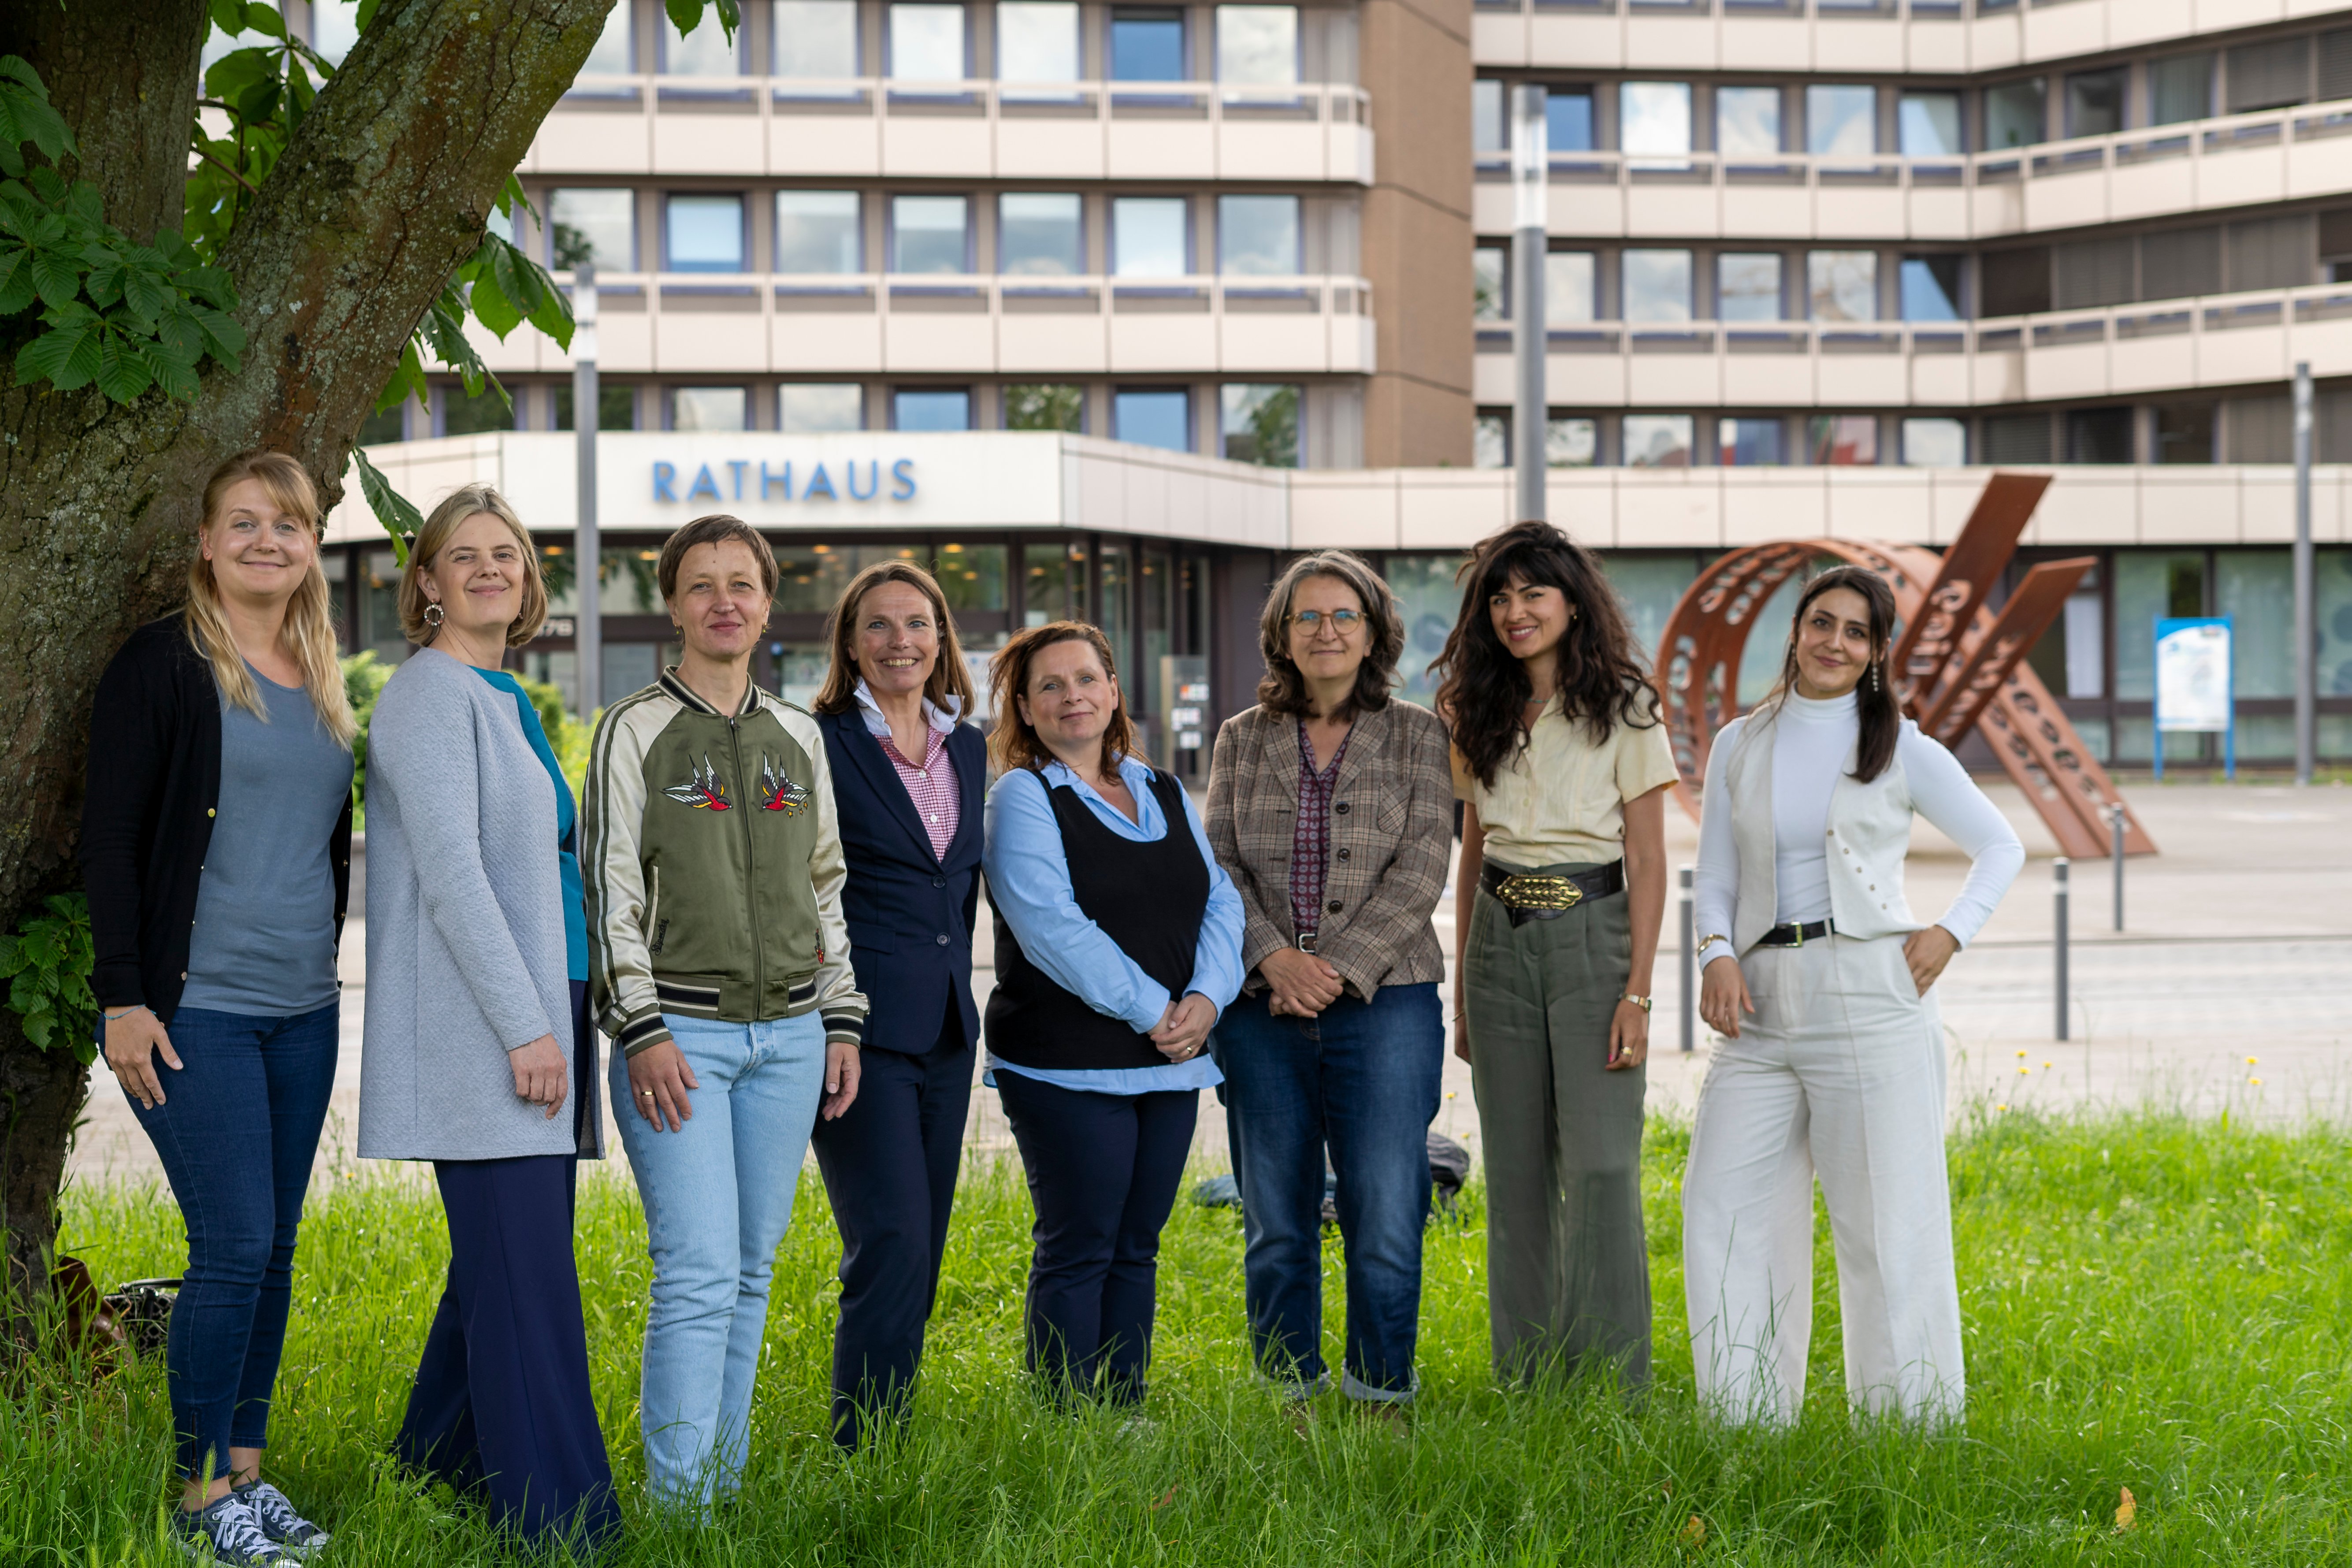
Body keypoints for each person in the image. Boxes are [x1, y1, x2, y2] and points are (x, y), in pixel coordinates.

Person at [82, 450, 354, 1565]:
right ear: (205, 541)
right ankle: (198, 1499)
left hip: (305, 1004)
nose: (265, 543)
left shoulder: (323, 669)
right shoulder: (162, 663)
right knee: (234, 1243)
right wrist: (123, 998)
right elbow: (108, 838)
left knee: (277, 1248)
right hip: (197, 1009)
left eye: (286, 526)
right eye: (243, 523)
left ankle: (245, 1475)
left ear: (310, 548)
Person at [1685, 565, 2024, 1427]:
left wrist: (1949, 931)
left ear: (1875, 653)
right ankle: (1745, 1426)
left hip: (1869, 999)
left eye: (1854, 632)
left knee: (1887, 1228)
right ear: (1795, 630)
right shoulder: (1738, 742)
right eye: (1819, 623)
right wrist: (1714, 953)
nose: (1833, 642)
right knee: (1724, 1212)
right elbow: (1716, 875)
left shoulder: (1901, 746)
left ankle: (1907, 1433)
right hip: (1756, 1007)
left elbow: (1999, 844)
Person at [585, 514, 868, 1507]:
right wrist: (643, 1028)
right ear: (671, 604)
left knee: (750, 1272)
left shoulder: (799, 737)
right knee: (698, 1272)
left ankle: (719, 1489)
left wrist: (839, 1018)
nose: (723, 601)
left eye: (741, 583)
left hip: (790, 1038)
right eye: (701, 584)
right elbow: (607, 889)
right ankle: (678, 1507)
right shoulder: (634, 730)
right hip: (683, 1037)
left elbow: (824, 885)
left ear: (766, 601)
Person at [359, 483, 619, 1551]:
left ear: (527, 579)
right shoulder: (426, 694)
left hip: (549, 998)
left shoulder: (505, 695)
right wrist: (524, 1027)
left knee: (501, 1265)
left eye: (503, 553)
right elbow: (454, 877)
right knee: (528, 1279)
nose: (485, 570)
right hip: (495, 1019)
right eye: (459, 556)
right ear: (425, 582)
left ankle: (431, 1465)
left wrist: (569, 1006)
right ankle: (561, 1522)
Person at [1204, 550, 1452, 1415]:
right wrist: (1273, 957)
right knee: (1275, 1220)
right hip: (1258, 1008)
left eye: (1342, 615)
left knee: (1385, 1216)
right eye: (1306, 617)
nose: (1325, 631)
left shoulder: (1419, 734)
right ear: (1280, 633)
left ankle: (1381, 1392)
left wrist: (1336, 969)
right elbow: (1218, 864)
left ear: (1374, 630)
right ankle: (1290, 1392)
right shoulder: (1241, 737)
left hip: (1387, 1005)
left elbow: (1423, 865)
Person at [1433, 519, 1676, 1393]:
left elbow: (1649, 861)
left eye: (1533, 592)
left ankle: (1612, 1384)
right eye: (1498, 596)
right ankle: (1527, 1379)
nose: (1514, 611)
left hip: (1594, 939)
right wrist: (1463, 991)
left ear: (1573, 603)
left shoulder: (1625, 706)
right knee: (1517, 1171)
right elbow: (1471, 853)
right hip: (1499, 942)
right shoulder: (1471, 708)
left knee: (1602, 1167)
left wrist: (1638, 995)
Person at [981, 622, 1244, 1406]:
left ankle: (1122, 1403)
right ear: (1025, 709)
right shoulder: (1021, 796)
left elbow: (1219, 898)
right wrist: (1159, 1011)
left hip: (1171, 1058)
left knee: (1137, 1244)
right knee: (1080, 1244)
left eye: (1086, 679)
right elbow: (1051, 925)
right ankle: (1063, 1415)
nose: (1072, 697)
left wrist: (1207, 998)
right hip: (1065, 1061)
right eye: (1050, 686)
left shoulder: (1160, 786)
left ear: (1113, 690)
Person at [808, 561, 987, 1449]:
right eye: (877, 626)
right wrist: (830, 1013)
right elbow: (802, 887)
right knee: (890, 1242)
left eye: (917, 624)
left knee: (927, 1243)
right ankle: (863, 1446)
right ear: (849, 644)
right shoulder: (817, 740)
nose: (900, 642)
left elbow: (957, 889)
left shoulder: (969, 744)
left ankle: (890, 1427)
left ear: (941, 638)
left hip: (949, 1028)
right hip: (857, 1032)